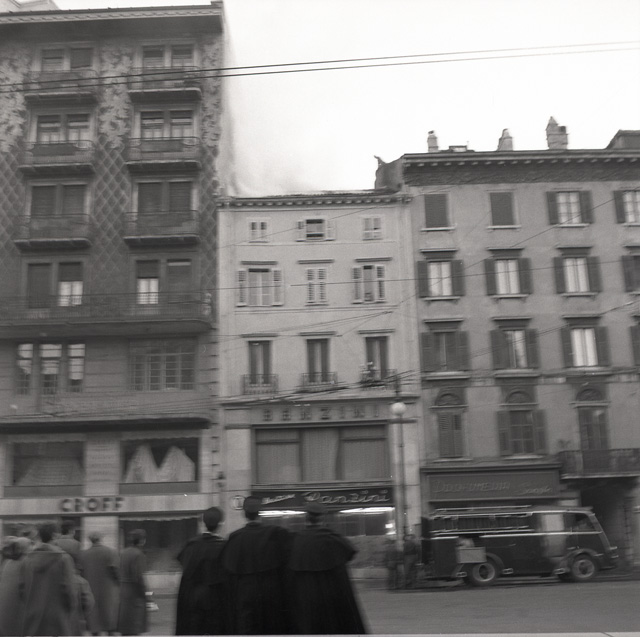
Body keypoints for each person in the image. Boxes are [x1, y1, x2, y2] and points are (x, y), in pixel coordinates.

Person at [287, 502, 367, 634]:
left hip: (306, 597)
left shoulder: (295, 540)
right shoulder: (333, 539)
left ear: (306, 518)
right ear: (322, 519)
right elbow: (349, 553)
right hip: (331, 596)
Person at [220, 496, 291, 634]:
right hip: (271, 591)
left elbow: (228, 570)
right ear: (260, 512)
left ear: (244, 514)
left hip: (245, 593)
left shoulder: (235, 538)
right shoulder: (276, 534)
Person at [175, 506, 230, 635]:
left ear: (203, 523)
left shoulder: (191, 546)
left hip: (192, 600)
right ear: (220, 524)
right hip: (216, 602)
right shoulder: (224, 547)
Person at [20, 522, 78, 636]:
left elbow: (22, 589)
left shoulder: (27, 560)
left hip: (34, 616)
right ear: (55, 535)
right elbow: (69, 589)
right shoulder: (64, 559)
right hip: (57, 617)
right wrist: (71, 607)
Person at [82, 532, 120, 636]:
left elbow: (81, 573)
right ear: (101, 539)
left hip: (90, 589)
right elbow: (116, 572)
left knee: (94, 620)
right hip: (108, 590)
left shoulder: (83, 554)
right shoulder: (111, 552)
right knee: (109, 618)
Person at [117, 529, 148, 636]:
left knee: (125, 624)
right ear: (141, 541)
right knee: (135, 624)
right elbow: (139, 576)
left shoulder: (123, 552)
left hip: (123, 590)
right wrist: (145, 593)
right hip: (134, 592)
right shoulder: (139, 554)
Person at [0, 536, 32, 636]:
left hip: (3, 616)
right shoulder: (26, 563)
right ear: (25, 548)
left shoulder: (7, 563)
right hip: (16, 614)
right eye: (30, 545)